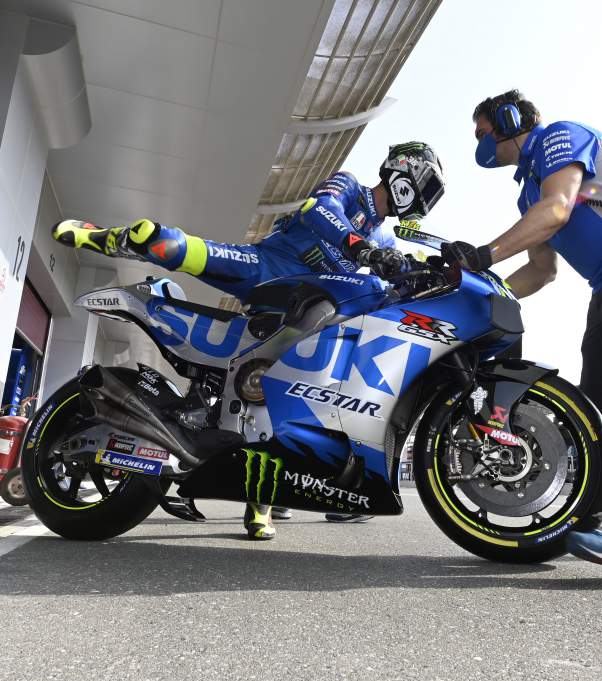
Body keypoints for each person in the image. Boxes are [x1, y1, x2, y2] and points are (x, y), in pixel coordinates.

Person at [52, 142, 446, 539]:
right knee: (162, 241)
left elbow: (391, 286)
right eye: (426, 186)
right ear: (403, 170)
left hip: (308, 311)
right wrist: (362, 248)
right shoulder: (349, 187)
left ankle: (260, 506)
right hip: (265, 268)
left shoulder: (388, 242)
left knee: (273, 404)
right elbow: (316, 210)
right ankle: (101, 236)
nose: (424, 199)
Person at [446, 89, 602, 574]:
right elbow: (541, 272)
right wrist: (481, 295)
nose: (484, 146)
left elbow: (558, 210)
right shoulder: (527, 191)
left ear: (509, 118)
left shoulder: (559, 138)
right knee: (599, 395)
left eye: (485, 133)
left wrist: (482, 255)